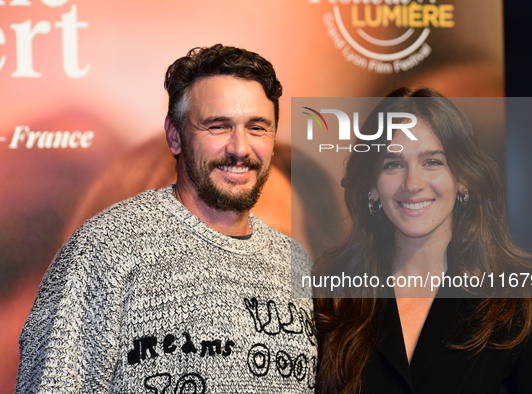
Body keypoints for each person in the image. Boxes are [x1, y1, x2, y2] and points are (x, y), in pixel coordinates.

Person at [17, 44, 316, 393]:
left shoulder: (295, 261)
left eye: (258, 127)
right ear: (174, 136)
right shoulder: (104, 246)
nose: (240, 148)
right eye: (217, 126)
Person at [313, 87, 532, 393]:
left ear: (462, 178)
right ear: (372, 186)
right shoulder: (332, 296)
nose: (412, 183)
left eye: (432, 162)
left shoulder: (522, 300)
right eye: (393, 164)